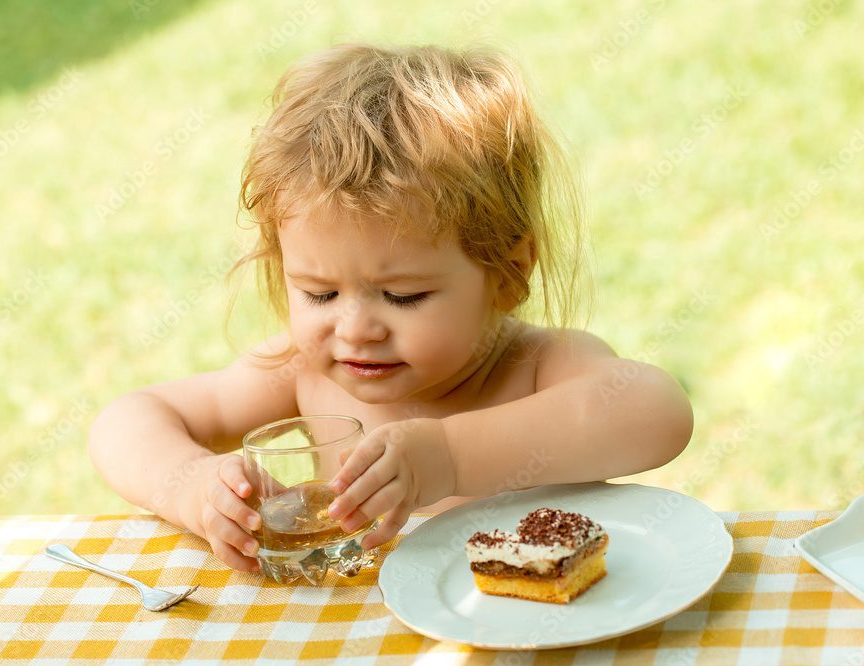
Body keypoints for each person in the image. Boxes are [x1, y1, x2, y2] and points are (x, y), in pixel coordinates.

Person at [88, 43, 694, 573]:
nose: (354, 330)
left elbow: (657, 411)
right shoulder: (300, 371)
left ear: (510, 273)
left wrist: (450, 457)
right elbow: (126, 419)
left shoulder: (536, 366)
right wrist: (192, 485)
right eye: (319, 294)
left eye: (403, 296)